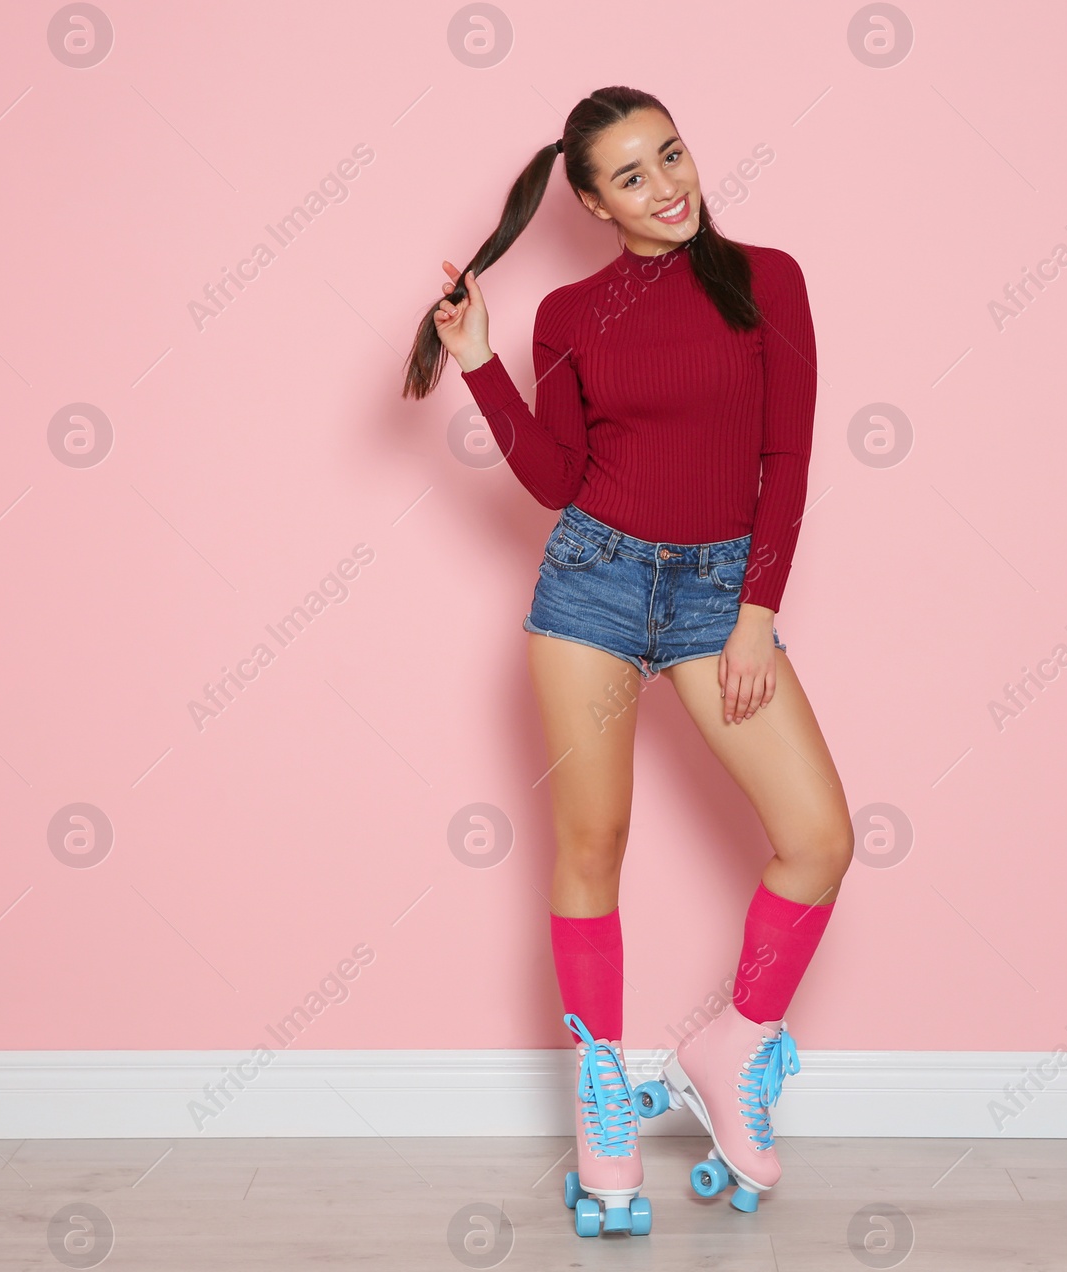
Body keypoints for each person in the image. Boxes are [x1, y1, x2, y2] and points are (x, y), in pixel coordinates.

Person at [403, 85, 853, 1236]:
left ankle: (730, 1041)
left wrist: (754, 615)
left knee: (817, 838)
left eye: (673, 155)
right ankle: (602, 1102)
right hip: (592, 584)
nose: (669, 188)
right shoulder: (567, 312)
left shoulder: (771, 281)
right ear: (595, 203)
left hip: (716, 597)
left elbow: (787, 460)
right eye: (635, 178)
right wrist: (479, 363)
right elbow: (556, 480)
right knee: (593, 844)